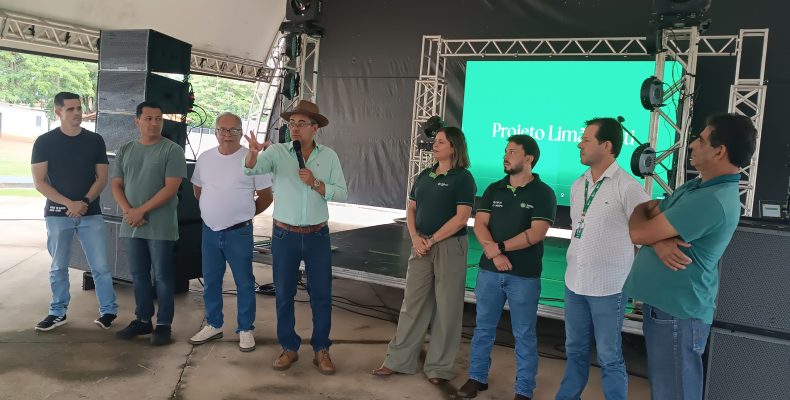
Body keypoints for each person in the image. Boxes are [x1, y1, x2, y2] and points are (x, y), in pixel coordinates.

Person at [623, 114, 757, 400]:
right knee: (666, 390)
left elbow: (638, 233)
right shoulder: (696, 187)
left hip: (677, 314)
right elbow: (643, 211)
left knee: (674, 393)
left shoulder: (710, 200)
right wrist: (658, 243)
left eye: (701, 139)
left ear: (719, 151)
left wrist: (650, 237)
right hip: (668, 309)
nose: (692, 145)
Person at [244, 100, 347, 374]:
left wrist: (316, 183)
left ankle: (321, 349)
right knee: (284, 294)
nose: (295, 128)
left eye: (301, 123)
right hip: (284, 235)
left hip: (317, 236)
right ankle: (289, 347)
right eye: (292, 123)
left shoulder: (329, 157)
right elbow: (251, 170)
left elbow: (341, 192)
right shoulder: (278, 152)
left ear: (315, 128)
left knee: (322, 294)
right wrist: (253, 154)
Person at [372, 127, 476, 384]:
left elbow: (462, 218)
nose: (435, 145)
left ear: (454, 147)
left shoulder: (463, 178)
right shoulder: (424, 175)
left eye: (441, 142)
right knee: (412, 303)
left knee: (447, 308)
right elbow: (411, 209)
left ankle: (439, 367)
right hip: (421, 246)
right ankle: (398, 360)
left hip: (450, 247)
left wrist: (432, 240)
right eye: (435, 141)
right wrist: (416, 238)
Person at [555, 118, 649, 400]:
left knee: (609, 356)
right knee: (575, 351)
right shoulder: (577, 184)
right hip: (575, 284)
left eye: (585, 139)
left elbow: (649, 231)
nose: (579, 144)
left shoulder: (628, 187)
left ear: (606, 145)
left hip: (609, 288)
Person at [457, 135, 556, 400]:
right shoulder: (494, 189)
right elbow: (480, 224)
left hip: (523, 276)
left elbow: (536, 233)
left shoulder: (543, 192)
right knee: (483, 327)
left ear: (529, 158)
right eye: (505, 151)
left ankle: (523, 390)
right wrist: (493, 251)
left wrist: (498, 249)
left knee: (524, 333)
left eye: (512, 151)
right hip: (489, 272)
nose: (506, 155)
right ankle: (476, 377)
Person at [30, 91, 119, 331]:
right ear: (58, 112)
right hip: (58, 215)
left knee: (100, 266)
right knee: (58, 266)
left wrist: (84, 202)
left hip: (90, 213)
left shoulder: (95, 141)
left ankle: (108, 310)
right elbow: (40, 182)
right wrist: (69, 204)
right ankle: (58, 312)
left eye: (79, 108)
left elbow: (102, 178)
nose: (77, 113)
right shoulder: (45, 142)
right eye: (70, 109)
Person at [188, 112, 273, 352]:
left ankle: (246, 329)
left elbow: (266, 197)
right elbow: (198, 191)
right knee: (211, 281)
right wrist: (214, 212)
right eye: (222, 129)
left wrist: (243, 214)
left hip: (239, 233)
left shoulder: (252, 158)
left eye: (233, 130)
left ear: (241, 132)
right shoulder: (205, 158)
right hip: (210, 232)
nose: (227, 134)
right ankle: (214, 324)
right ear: (215, 131)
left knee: (244, 282)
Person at [111, 101, 187, 346]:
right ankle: (143, 320)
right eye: (149, 118)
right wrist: (128, 211)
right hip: (132, 223)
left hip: (161, 225)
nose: (154, 123)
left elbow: (171, 188)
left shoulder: (172, 150)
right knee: (138, 274)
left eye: (158, 118)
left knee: (163, 276)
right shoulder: (125, 150)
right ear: (137, 121)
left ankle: (164, 324)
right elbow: (116, 185)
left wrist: (139, 211)